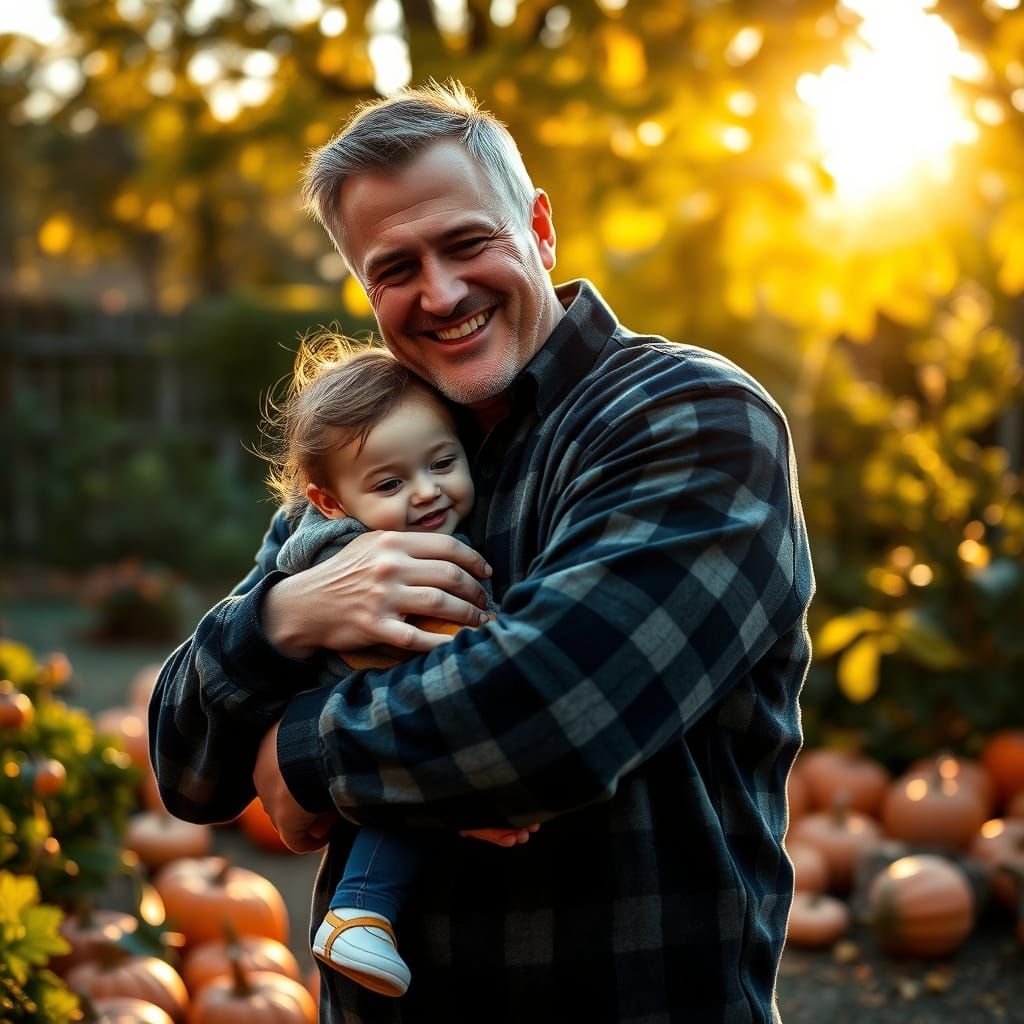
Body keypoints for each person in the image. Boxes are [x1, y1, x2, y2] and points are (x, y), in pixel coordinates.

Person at [150, 80, 814, 1023]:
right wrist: (284, 614)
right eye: (395, 268)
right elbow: (185, 767)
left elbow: (554, 713)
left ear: (538, 226)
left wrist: (296, 753)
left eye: (468, 243)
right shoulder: (363, 455)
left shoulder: (688, 418)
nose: (443, 292)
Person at [260, 339, 525, 997]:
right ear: (328, 500)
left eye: (442, 462)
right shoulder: (380, 555)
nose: (428, 491)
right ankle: (359, 912)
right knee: (402, 782)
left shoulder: (362, 533)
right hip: (371, 710)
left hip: (346, 725)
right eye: (390, 483)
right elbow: (454, 645)